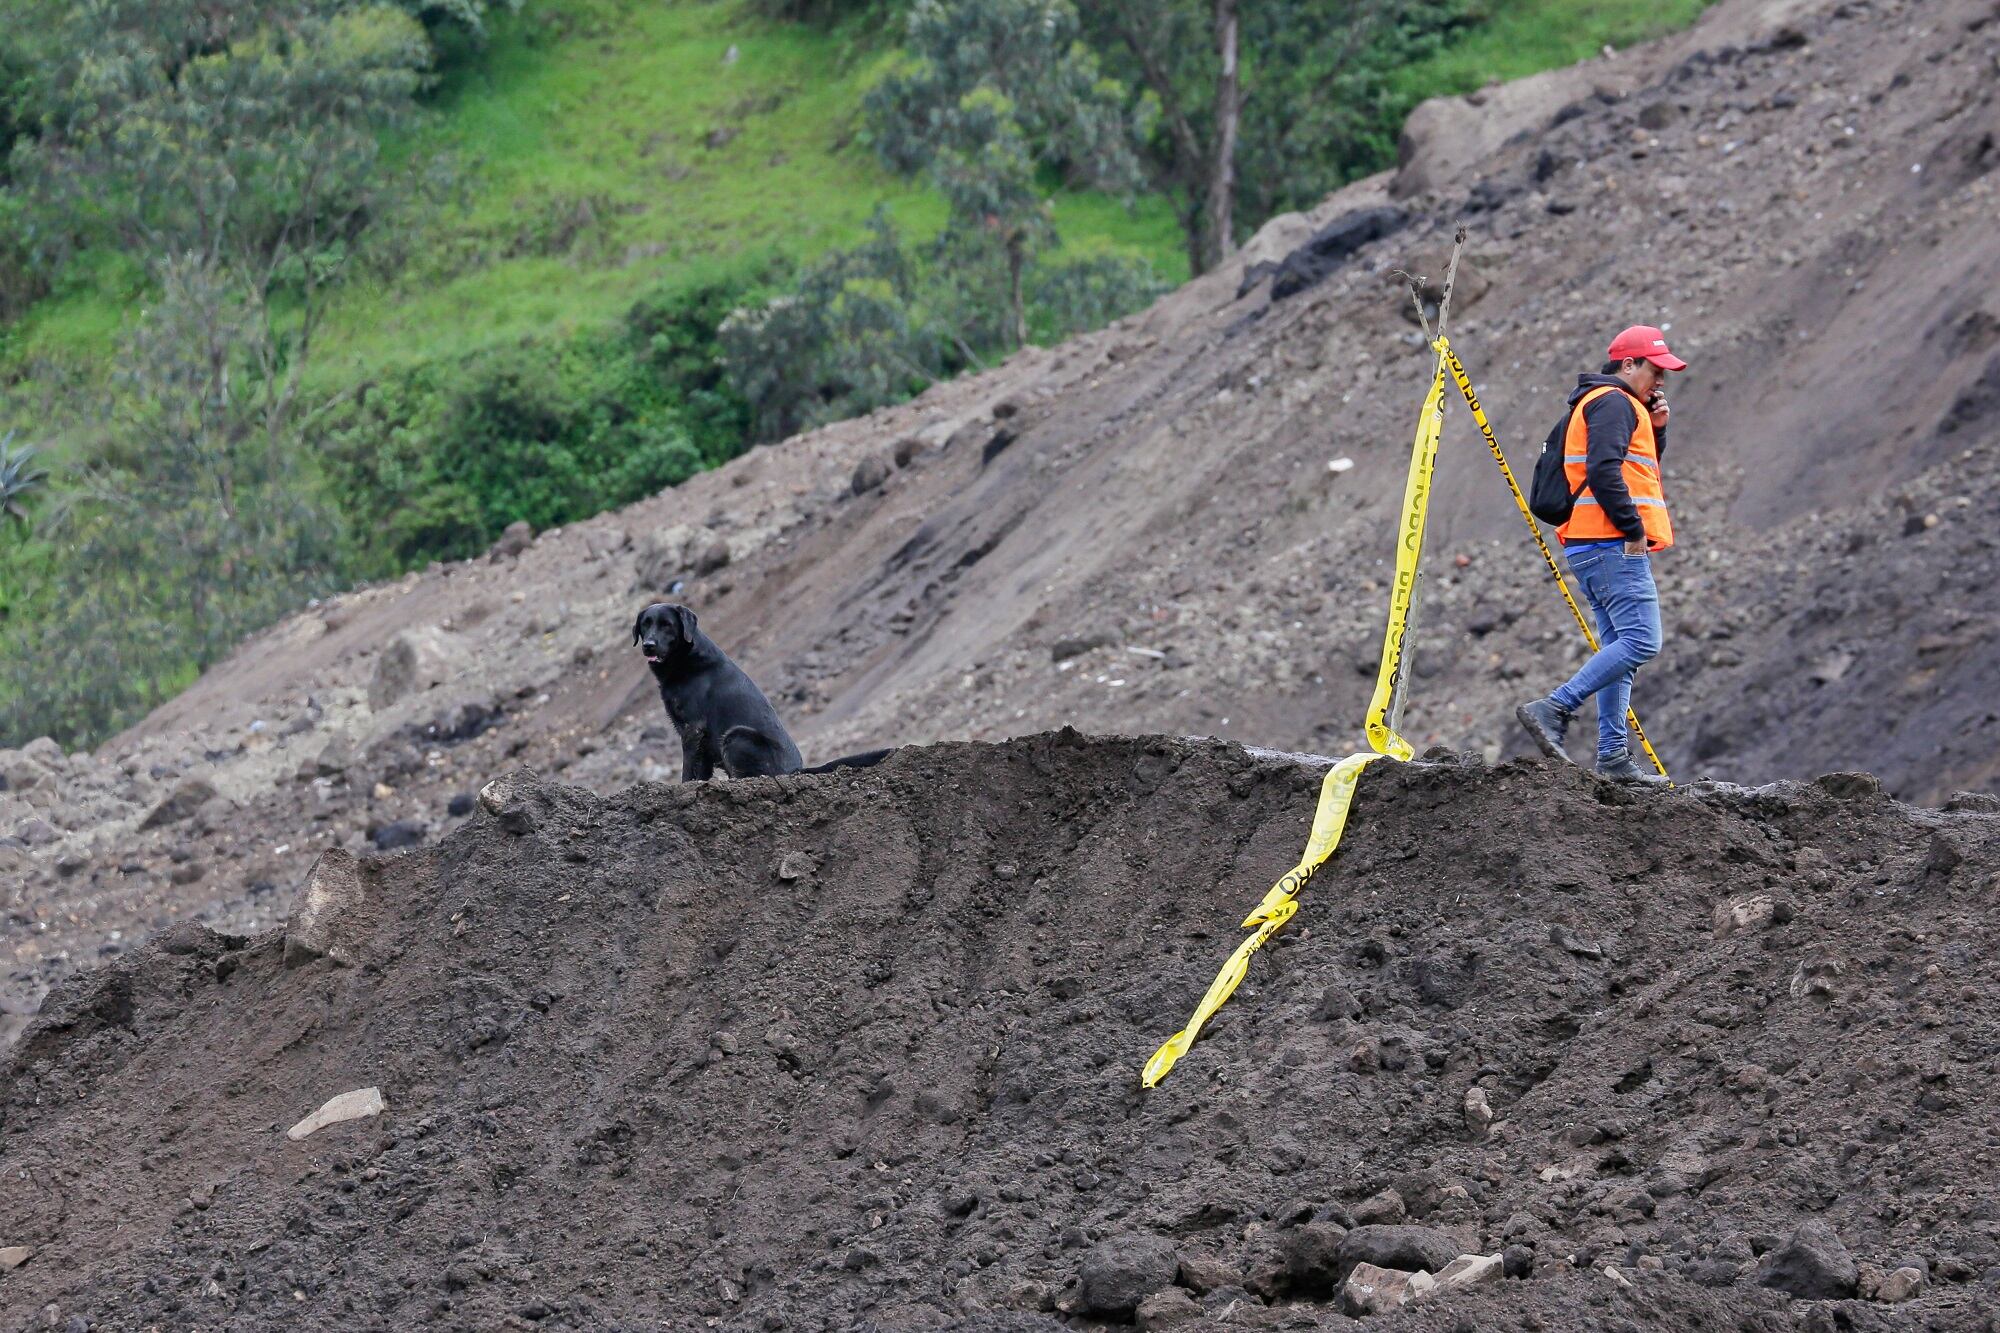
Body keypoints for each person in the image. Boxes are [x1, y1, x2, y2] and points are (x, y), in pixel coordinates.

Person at [1515, 325, 1686, 785]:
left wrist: (1658, 431)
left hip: (1593, 544)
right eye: (1655, 369)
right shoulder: (1612, 402)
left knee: (1619, 648)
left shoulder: (1614, 405)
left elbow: (1636, 471)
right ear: (1628, 364)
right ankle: (1554, 708)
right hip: (1612, 543)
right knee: (1643, 641)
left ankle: (1613, 757)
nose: (1661, 380)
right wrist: (1632, 530)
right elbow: (1604, 471)